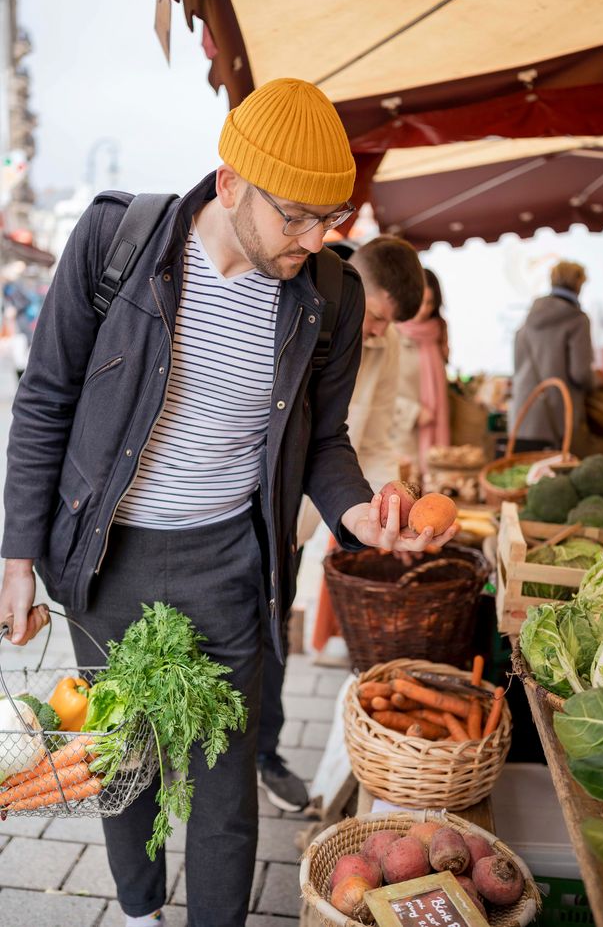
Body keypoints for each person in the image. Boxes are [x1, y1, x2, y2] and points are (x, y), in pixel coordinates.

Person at [0, 78, 456, 927]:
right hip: (109, 560)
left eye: (333, 220)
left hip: (231, 563)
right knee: (122, 761)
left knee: (222, 782)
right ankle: (138, 915)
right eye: (298, 217)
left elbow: (323, 443)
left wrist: (359, 517)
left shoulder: (332, 295)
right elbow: (45, 397)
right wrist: (18, 555)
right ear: (232, 182)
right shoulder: (117, 241)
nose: (317, 239)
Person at [257, 235, 425, 810]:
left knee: (275, 632)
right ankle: (193, 751)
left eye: (387, 324)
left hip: (307, 514)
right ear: (353, 279)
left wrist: (386, 511)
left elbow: (375, 442)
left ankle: (264, 753)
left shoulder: (390, 344)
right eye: (378, 316)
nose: (377, 331)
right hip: (241, 498)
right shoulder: (294, 290)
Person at [511, 260, 603, 451]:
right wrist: (597, 380)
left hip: (523, 415)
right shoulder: (577, 320)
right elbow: (580, 374)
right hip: (557, 419)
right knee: (555, 478)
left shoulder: (529, 317)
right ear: (579, 284)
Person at [392, 267, 450, 481]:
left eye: (430, 302)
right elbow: (378, 392)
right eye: (419, 302)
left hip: (438, 432)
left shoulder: (437, 333)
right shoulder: (390, 335)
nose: (424, 309)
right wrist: (414, 412)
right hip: (403, 437)